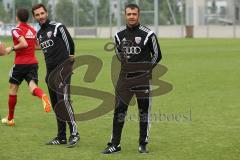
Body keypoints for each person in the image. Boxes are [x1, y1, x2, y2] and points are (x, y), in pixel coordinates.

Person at [102, 4, 162, 154]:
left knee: (143, 111)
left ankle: (143, 144)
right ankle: (115, 144)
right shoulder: (119, 35)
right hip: (124, 79)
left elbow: (157, 55)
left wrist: (144, 70)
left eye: (134, 14)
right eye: (129, 14)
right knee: (119, 110)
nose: (131, 16)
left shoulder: (148, 34)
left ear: (138, 15)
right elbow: (118, 52)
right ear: (125, 15)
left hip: (142, 79)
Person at [32, 4, 80, 148]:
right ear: (34, 17)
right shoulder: (39, 34)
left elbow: (70, 44)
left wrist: (69, 65)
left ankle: (74, 134)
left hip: (63, 71)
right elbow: (47, 54)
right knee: (56, 105)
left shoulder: (58, 27)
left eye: (42, 13)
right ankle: (61, 137)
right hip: (50, 74)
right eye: (37, 15)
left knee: (64, 102)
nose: (40, 16)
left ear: (47, 13)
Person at [1, 8, 51, 126]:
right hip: (33, 63)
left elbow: (24, 43)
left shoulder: (16, 29)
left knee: (13, 89)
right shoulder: (32, 30)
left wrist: (11, 48)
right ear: (28, 17)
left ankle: (10, 118)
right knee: (32, 87)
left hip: (20, 64)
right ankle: (42, 95)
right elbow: (37, 46)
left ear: (17, 18)